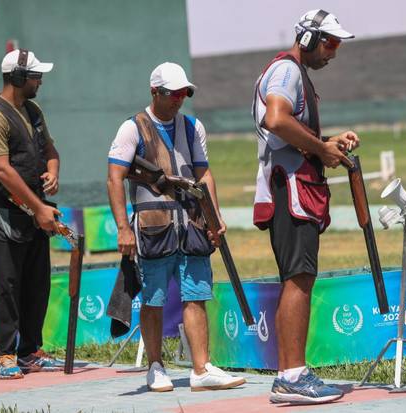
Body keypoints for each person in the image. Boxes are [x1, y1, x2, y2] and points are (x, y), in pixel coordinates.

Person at [107, 62, 246, 392]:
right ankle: (155, 366)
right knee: (153, 301)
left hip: (193, 227)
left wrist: (214, 218)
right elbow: (114, 177)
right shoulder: (132, 128)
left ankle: (201, 369)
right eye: (173, 93)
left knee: (196, 297)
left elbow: (204, 174)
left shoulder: (193, 126)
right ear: (154, 92)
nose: (180, 99)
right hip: (154, 229)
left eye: (185, 92)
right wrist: (124, 229)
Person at [251, 10, 360, 404]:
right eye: (329, 43)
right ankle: (294, 376)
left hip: (293, 186)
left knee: (296, 279)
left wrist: (327, 141)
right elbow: (277, 120)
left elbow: (289, 132)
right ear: (309, 39)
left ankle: (288, 374)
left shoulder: (294, 73)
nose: (333, 52)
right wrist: (321, 147)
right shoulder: (288, 72)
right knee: (299, 277)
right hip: (292, 189)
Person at [0, 48, 61, 379]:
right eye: (36, 75)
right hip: (3, 213)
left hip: (35, 212)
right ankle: (6, 355)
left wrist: (53, 171)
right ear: (19, 78)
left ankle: (30, 352)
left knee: (37, 284)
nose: (41, 81)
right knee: (6, 285)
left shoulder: (34, 110)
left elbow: (50, 149)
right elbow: (2, 170)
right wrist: (40, 207)